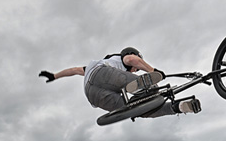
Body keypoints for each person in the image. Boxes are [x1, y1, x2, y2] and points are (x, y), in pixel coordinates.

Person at [39, 47, 201, 118]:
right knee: (139, 82)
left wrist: (54, 76)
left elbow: (74, 70)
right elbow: (132, 59)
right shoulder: (121, 59)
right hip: (102, 74)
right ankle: (140, 86)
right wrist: (153, 71)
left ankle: (177, 107)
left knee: (138, 109)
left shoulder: (91, 66)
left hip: (93, 94)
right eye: (135, 70)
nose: (136, 69)